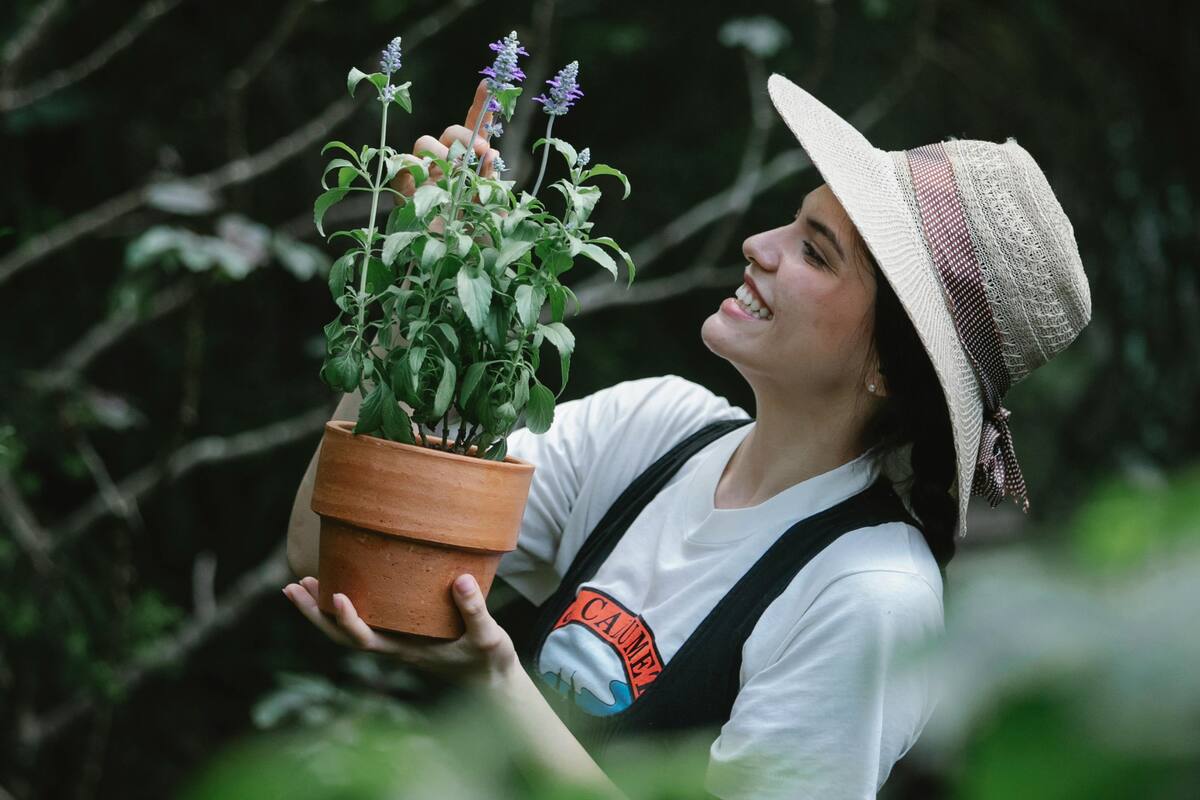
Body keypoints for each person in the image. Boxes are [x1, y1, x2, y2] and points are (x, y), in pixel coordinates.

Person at [283, 75, 1092, 798]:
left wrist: (501, 680)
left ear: (888, 362)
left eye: (814, 251)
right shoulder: (656, 428)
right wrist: (418, 273)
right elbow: (335, 553)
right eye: (792, 221)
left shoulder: (867, 593)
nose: (759, 246)